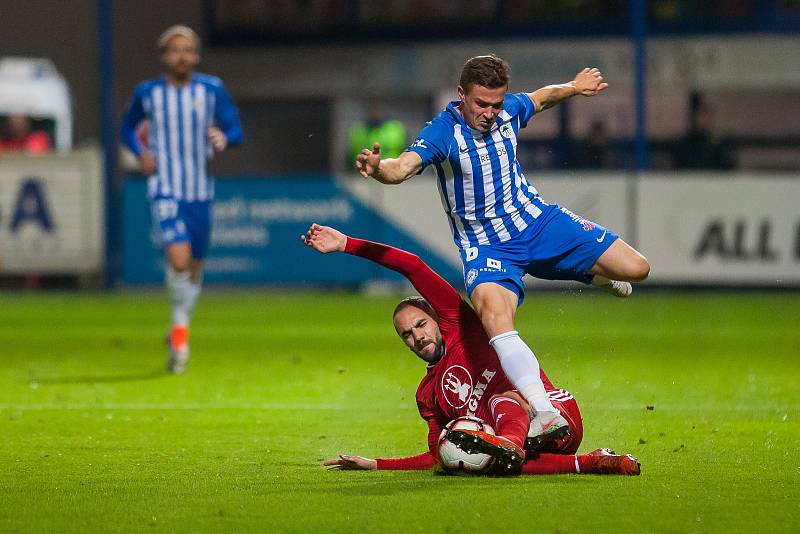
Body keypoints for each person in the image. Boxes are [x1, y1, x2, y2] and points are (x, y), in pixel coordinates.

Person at [355, 55, 650, 444]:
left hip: (537, 221)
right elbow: (403, 167)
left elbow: (541, 99)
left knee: (637, 268)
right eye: (482, 104)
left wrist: (575, 87)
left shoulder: (508, 109)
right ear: (461, 95)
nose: (491, 113)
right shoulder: (443, 132)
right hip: (486, 246)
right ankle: (544, 412)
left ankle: (594, 276)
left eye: (497, 104)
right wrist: (379, 169)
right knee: (495, 319)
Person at [302, 223, 640, 476]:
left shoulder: (460, 324)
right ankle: (595, 461)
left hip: (555, 415)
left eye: (420, 325)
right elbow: (438, 455)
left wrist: (347, 244)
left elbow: (411, 266)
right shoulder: (428, 395)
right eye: (406, 334)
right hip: (525, 445)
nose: (416, 337)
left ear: (436, 318)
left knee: (500, 403)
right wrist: (375, 464)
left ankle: (509, 444)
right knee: (483, 456)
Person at [120, 25, 243, 374]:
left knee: (194, 268)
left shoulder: (212, 89)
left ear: (197, 55)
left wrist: (224, 137)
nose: (182, 56)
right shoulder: (148, 93)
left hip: (200, 191)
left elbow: (235, 129)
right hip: (165, 187)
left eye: (188, 49)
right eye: (175, 50)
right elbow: (126, 128)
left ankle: (178, 325)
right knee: (178, 260)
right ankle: (180, 336)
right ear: (164, 56)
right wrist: (140, 151)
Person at [348, 101, 406, 165]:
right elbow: (350, 156)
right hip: (365, 173)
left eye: (377, 109)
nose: (375, 113)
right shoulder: (359, 131)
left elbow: (407, 152)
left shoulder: (395, 128)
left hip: (392, 171)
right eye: (372, 109)